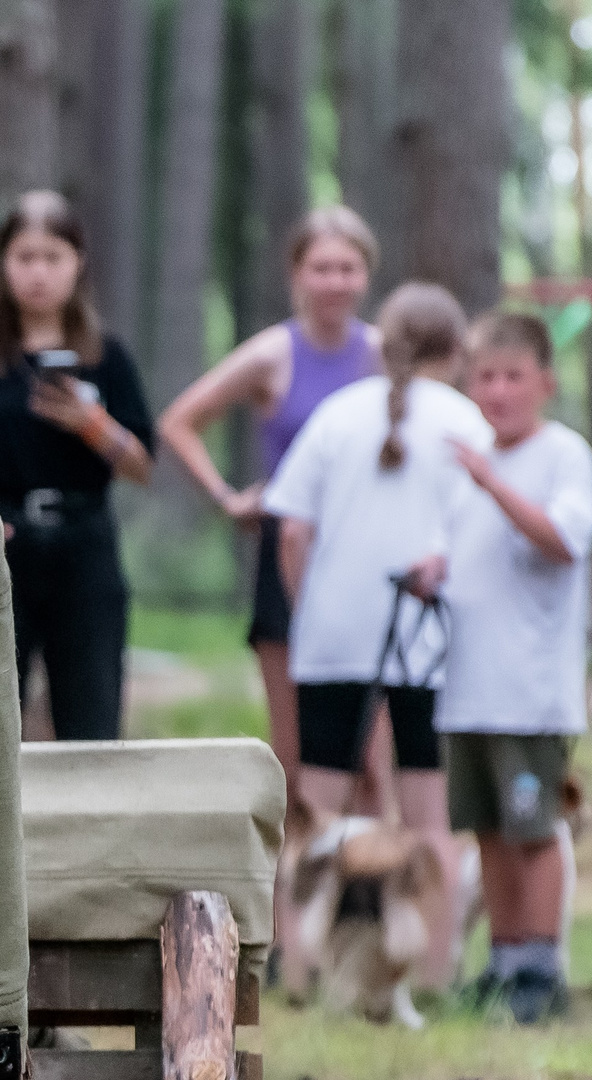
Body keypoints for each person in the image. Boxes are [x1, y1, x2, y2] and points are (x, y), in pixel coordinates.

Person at [262, 283, 485, 991]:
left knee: (317, 812)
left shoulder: (335, 416)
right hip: (430, 637)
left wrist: (310, 608)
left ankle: (295, 968)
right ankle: (435, 972)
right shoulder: (467, 424)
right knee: (429, 818)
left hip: (335, 630)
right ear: (456, 350)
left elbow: (291, 529)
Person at [158, 208, 383, 814]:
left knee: (372, 749)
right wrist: (229, 497)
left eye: (348, 268)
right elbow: (180, 422)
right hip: (288, 551)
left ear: (366, 276)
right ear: (297, 275)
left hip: (366, 555)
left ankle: (368, 891)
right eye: (321, 268)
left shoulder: (382, 357)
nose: (334, 282)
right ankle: (293, 891)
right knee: (295, 744)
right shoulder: (272, 354)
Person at [0, 190, 155, 741]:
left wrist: (91, 422)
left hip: (83, 542)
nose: (38, 273)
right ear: (4, 265)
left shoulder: (107, 356)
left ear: (78, 264)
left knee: (92, 708)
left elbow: (142, 467)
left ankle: (90, 824)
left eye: (53, 258)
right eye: (25, 257)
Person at [427, 312, 592, 1023]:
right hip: (466, 684)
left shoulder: (563, 456)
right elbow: (464, 554)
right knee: (488, 827)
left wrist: (495, 485)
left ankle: (543, 967)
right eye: (485, 377)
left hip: (530, 689)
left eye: (512, 376)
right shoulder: (470, 463)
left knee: (534, 825)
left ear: (545, 383)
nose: (497, 392)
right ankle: (503, 958)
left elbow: (562, 539)